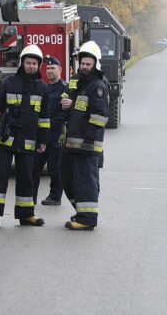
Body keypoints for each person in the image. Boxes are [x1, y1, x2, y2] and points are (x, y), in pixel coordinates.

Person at [0, 44, 50, 227]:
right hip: (5, 140)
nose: (31, 66)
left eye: (34, 63)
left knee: (26, 179)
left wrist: (43, 141)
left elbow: (44, 118)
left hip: (28, 140)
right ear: (22, 63)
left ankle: (26, 215)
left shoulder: (43, 89)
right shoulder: (8, 83)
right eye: (28, 62)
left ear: (39, 66)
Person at [59, 41, 109, 230]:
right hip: (71, 143)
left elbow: (99, 117)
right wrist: (64, 104)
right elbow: (67, 103)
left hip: (88, 145)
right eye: (82, 63)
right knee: (67, 176)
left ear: (95, 65)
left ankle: (87, 218)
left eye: (88, 64)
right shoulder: (77, 81)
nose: (84, 67)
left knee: (85, 180)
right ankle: (81, 211)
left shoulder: (97, 87)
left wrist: (88, 142)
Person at [33, 55, 68, 206]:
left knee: (55, 168)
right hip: (42, 135)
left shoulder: (65, 89)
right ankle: (30, 196)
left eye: (52, 68)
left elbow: (64, 114)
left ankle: (55, 196)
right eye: (47, 68)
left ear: (60, 70)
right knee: (35, 167)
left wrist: (47, 125)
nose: (49, 71)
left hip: (56, 134)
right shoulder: (44, 88)